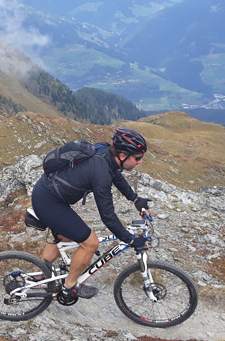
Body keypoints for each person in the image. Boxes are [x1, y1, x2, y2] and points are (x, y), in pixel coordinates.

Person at [31, 127, 152, 299]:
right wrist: (130, 239)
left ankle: (39, 273)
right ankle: (70, 286)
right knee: (90, 243)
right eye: (137, 158)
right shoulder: (101, 172)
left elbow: (116, 176)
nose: (140, 162)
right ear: (123, 155)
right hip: (49, 202)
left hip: (47, 194)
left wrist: (135, 199)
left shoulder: (106, 153)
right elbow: (108, 216)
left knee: (66, 236)